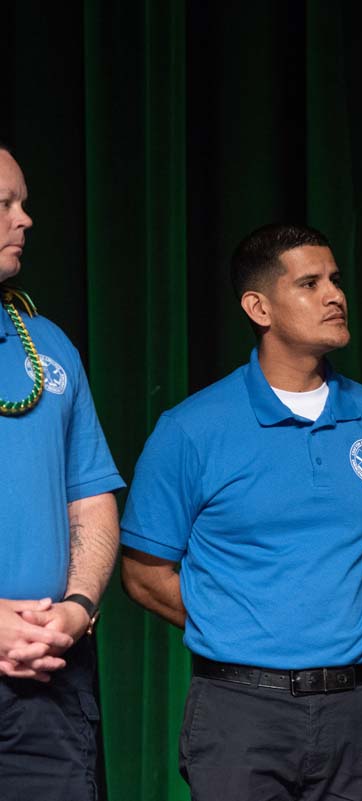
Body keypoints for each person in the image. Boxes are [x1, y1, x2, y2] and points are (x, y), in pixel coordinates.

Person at [120, 223, 362, 801]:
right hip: (239, 713)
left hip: (356, 711)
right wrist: (243, 627)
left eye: (335, 279)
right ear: (259, 307)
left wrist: (322, 621)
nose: (335, 295)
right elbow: (143, 574)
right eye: (310, 283)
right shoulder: (191, 428)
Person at [0, 143, 124, 799]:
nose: (25, 220)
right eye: (5, 204)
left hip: (47, 684)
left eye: (24, 203)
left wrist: (76, 610)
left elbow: (91, 499)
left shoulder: (47, 344)